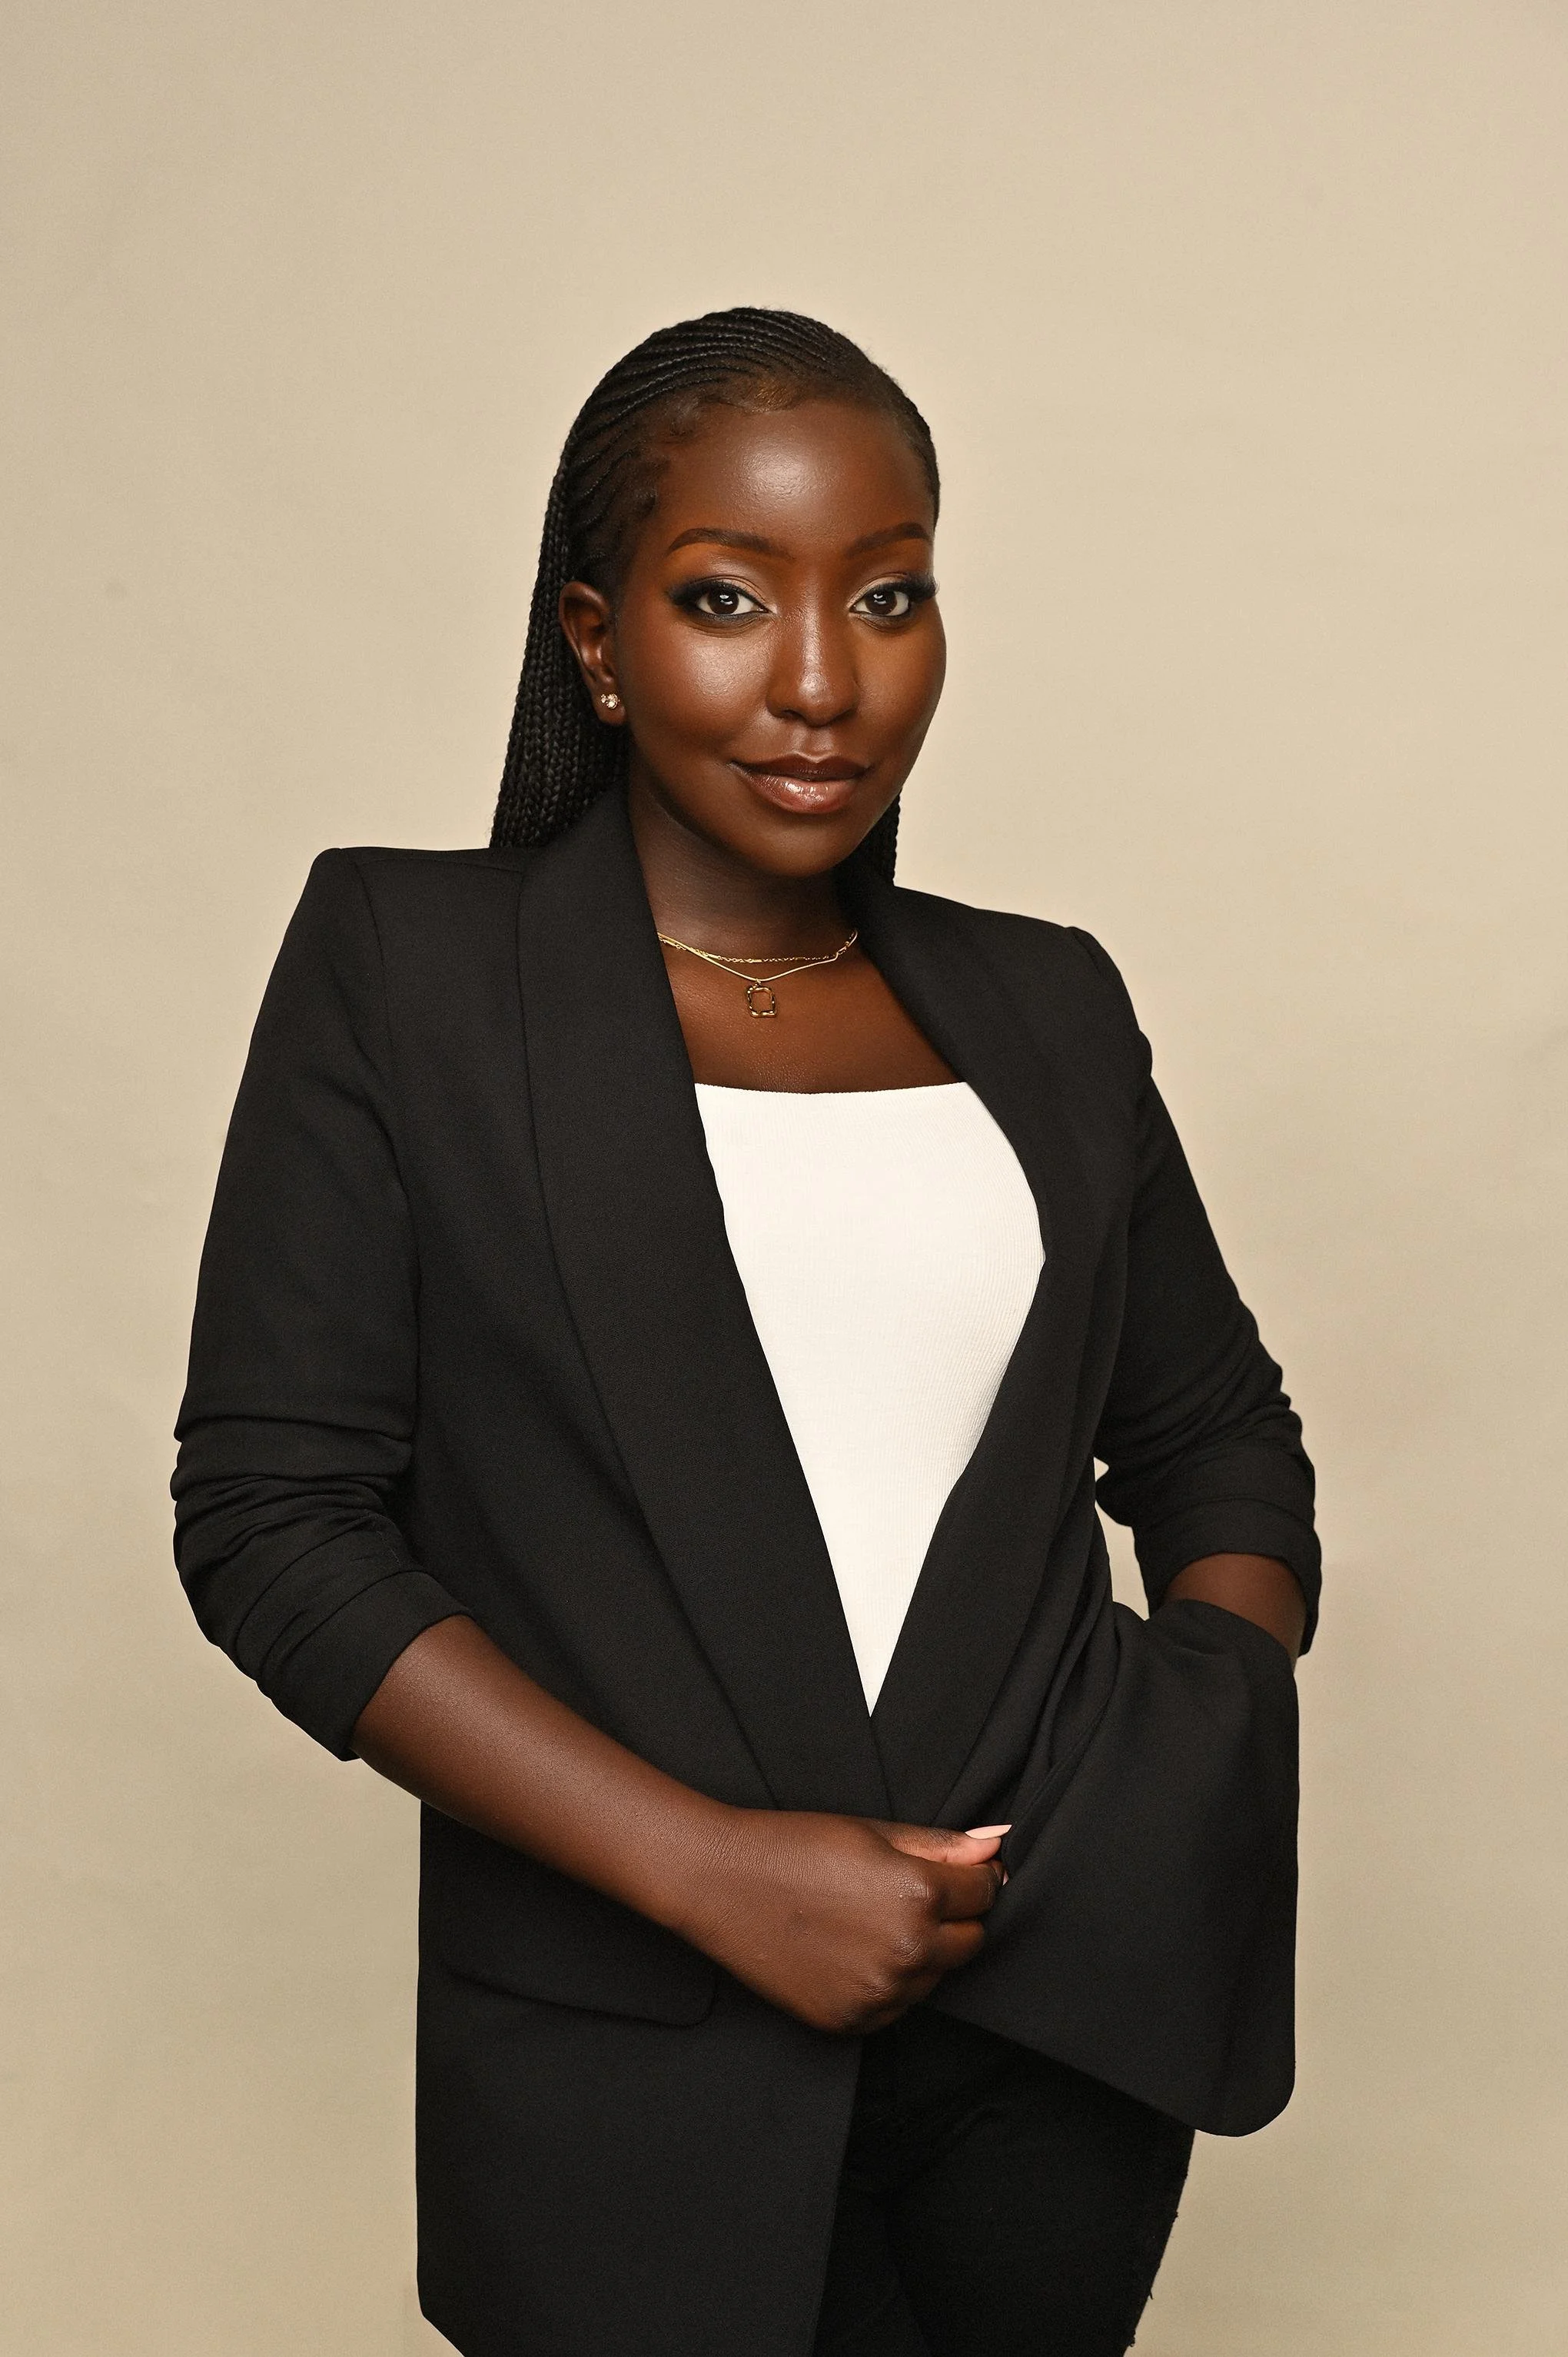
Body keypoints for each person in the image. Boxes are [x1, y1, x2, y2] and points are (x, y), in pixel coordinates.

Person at [173, 307, 1317, 2357]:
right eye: (726, 600)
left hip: (1062, 2045)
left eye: (890, 597)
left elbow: (1219, 1433)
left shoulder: (1047, 1006)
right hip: (629, 2064)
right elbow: (276, 1525)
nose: (820, 680)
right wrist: (706, 1868)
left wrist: (1199, 1733)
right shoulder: (412, 971)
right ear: (600, 644)